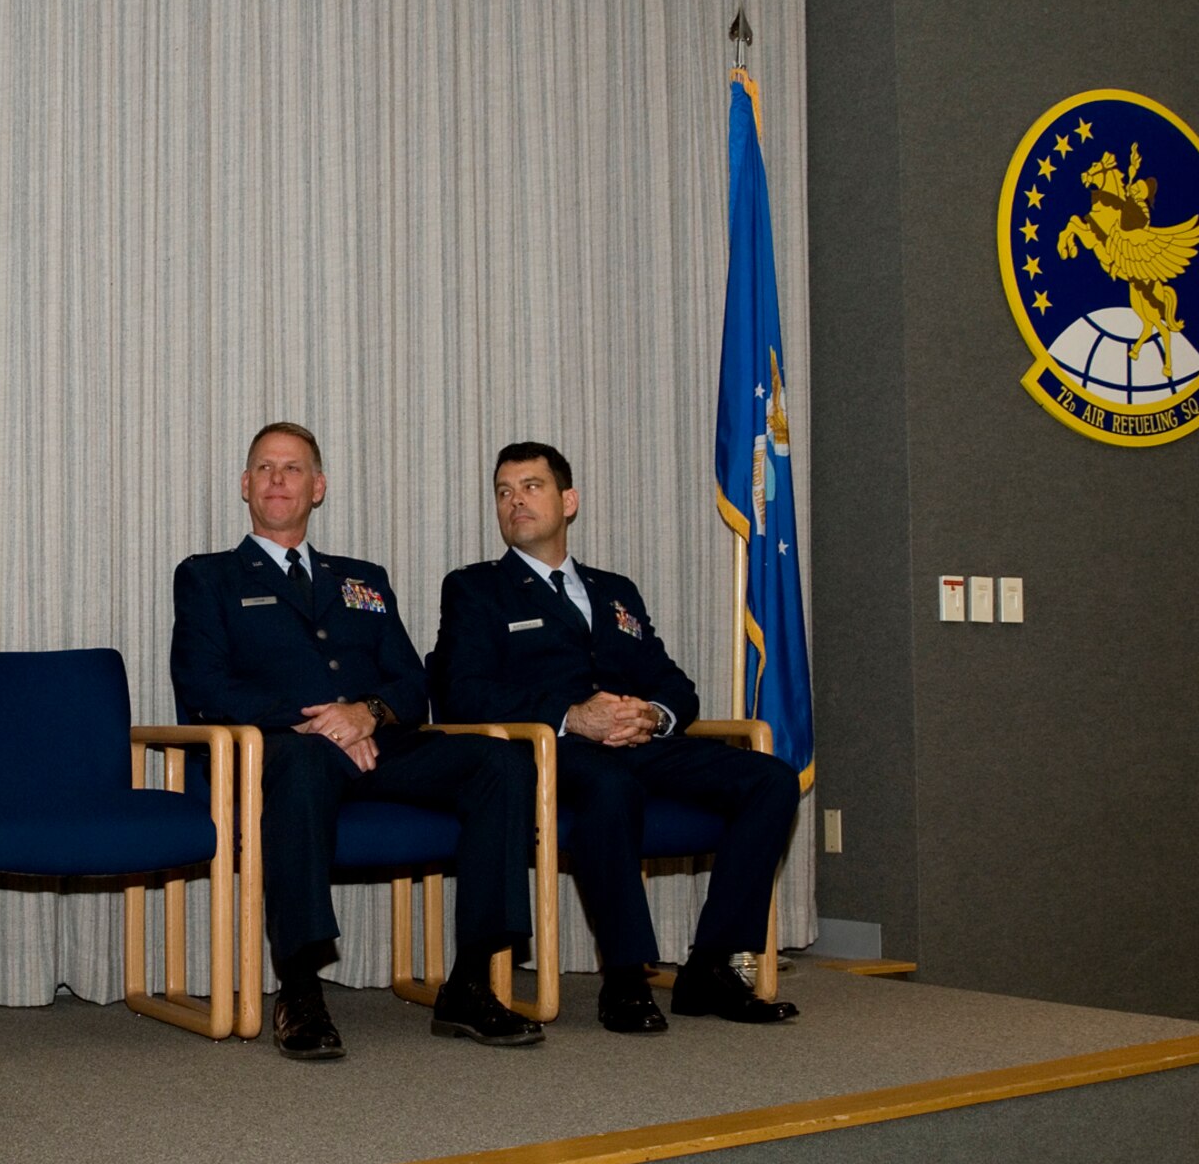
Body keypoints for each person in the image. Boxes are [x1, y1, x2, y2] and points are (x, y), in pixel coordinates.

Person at [169, 423, 543, 1059]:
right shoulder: (210, 577)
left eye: (293, 469)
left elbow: (410, 683)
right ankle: (300, 987)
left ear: (319, 488)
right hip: (276, 751)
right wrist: (317, 719)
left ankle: (471, 981)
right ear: (244, 486)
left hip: (374, 746)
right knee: (308, 763)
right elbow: (202, 686)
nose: (277, 479)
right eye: (264, 468)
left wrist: (366, 713)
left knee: (500, 761)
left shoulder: (362, 578)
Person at [429, 442, 800, 1034]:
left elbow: (675, 684)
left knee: (771, 779)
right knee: (610, 782)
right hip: (554, 752)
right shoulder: (477, 589)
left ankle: (709, 965)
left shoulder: (614, 589)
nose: (515, 500)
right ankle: (625, 976)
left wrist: (652, 714)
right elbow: (462, 693)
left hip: (642, 742)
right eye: (504, 492)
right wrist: (573, 716)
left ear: (568, 500)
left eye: (531, 486)